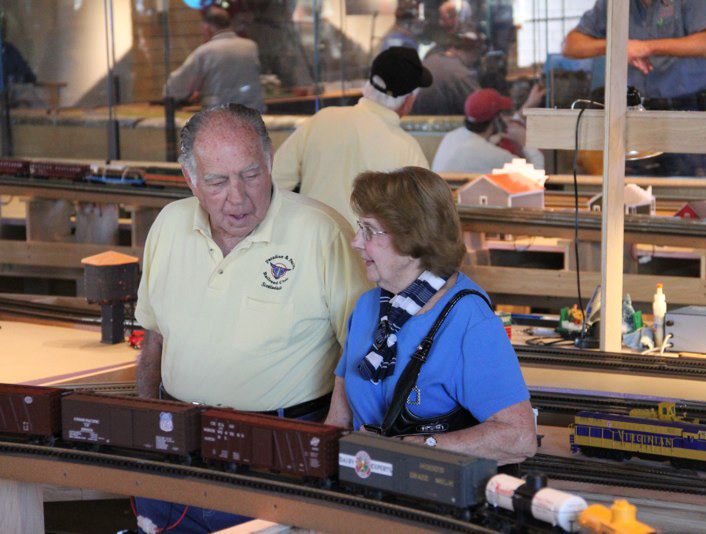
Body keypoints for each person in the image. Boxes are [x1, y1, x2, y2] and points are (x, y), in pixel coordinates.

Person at [134, 103, 367, 532]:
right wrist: (148, 426)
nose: (238, 197)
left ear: (271, 160)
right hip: (177, 446)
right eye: (218, 181)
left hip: (279, 451)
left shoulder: (324, 233)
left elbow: (362, 346)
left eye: (251, 175)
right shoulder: (168, 226)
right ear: (190, 180)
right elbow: (154, 334)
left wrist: (331, 438)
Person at [325, 167, 537, 465]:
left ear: (414, 239)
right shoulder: (366, 308)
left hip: (432, 492)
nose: (356, 242)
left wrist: (423, 447)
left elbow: (519, 438)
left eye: (370, 231)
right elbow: (339, 421)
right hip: (367, 485)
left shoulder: (469, 319)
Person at [562, 0, 706, 177]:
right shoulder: (614, 4)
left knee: (684, 192)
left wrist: (646, 47)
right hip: (631, 111)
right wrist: (618, 45)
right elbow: (571, 45)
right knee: (632, 193)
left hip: (684, 110)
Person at [272, 47, 431, 229]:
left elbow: (274, 181)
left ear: (370, 84)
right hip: (366, 256)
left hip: (309, 250)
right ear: (408, 101)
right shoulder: (407, 149)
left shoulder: (322, 119)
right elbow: (424, 218)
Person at [164, 6, 265, 112]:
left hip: (221, 115)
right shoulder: (251, 46)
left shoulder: (206, 51)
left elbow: (176, 86)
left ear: (207, 27)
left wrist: (172, 92)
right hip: (253, 113)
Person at [432, 87, 544, 173]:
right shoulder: (496, 156)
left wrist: (526, 107)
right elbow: (538, 176)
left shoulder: (451, 136)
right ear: (496, 121)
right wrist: (527, 142)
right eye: (502, 115)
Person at [410, 29, 482, 115]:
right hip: (435, 123)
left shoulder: (432, 59)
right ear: (474, 52)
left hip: (414, 120)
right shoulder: (460, 73)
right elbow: (480, 106)